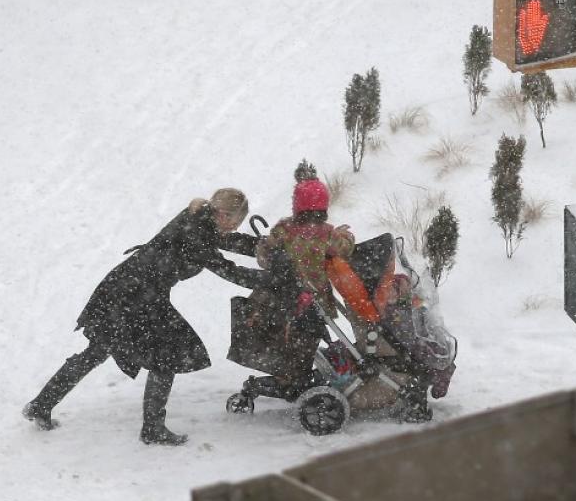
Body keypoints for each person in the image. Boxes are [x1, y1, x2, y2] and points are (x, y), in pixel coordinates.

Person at [23, 188, 265, 445]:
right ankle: (152, 429)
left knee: (97, 351)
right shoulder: (198, 232)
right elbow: (230, 271)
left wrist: (266, 247)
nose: (234, 228)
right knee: (168, 354)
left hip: (128, 289)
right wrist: (276, 279)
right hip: (136, 297)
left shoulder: (200, 218)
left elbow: (227, 241)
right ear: (225, 215)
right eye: (235, 222)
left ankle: (41, 405)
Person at [252, 178, 354, 391]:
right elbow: (344, 249)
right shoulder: (327, 233)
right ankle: (296, 378)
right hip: (315, 302)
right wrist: (347, 235)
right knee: (308, 341)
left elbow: (265, 258)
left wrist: (264, 247)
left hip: (286, 299)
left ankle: (289, 375)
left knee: (291, 342)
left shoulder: (283, 229)